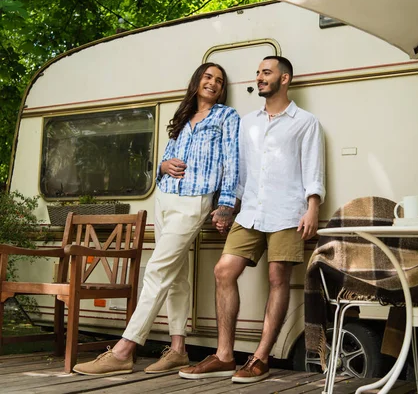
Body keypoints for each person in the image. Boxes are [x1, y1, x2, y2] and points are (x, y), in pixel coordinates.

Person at [73, 62, 240, 375]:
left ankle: (124, 349)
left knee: (158, 269)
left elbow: (232, 162)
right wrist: (163, 167)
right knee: (176, 275)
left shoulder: (226, 116)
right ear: (196, 82)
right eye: (207, 77)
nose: (213, 83)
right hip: (165, 197)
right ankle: (178, 349)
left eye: (219, 80)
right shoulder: (183, 118)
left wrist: (226, 204)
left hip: (195, 199)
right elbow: (163, 159)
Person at [178, 56, 325, 383]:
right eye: (258, 72)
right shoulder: (247, 123)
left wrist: (313, 207)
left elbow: (313, 171)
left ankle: (260, 358)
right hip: (250, 212)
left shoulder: (305, 122)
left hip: (288, 212)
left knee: (277, 278)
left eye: (266, 73)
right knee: (223, 270)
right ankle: (224, 355)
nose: (259, 77)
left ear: (284, 79)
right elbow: (239, 172)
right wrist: (228, 207)